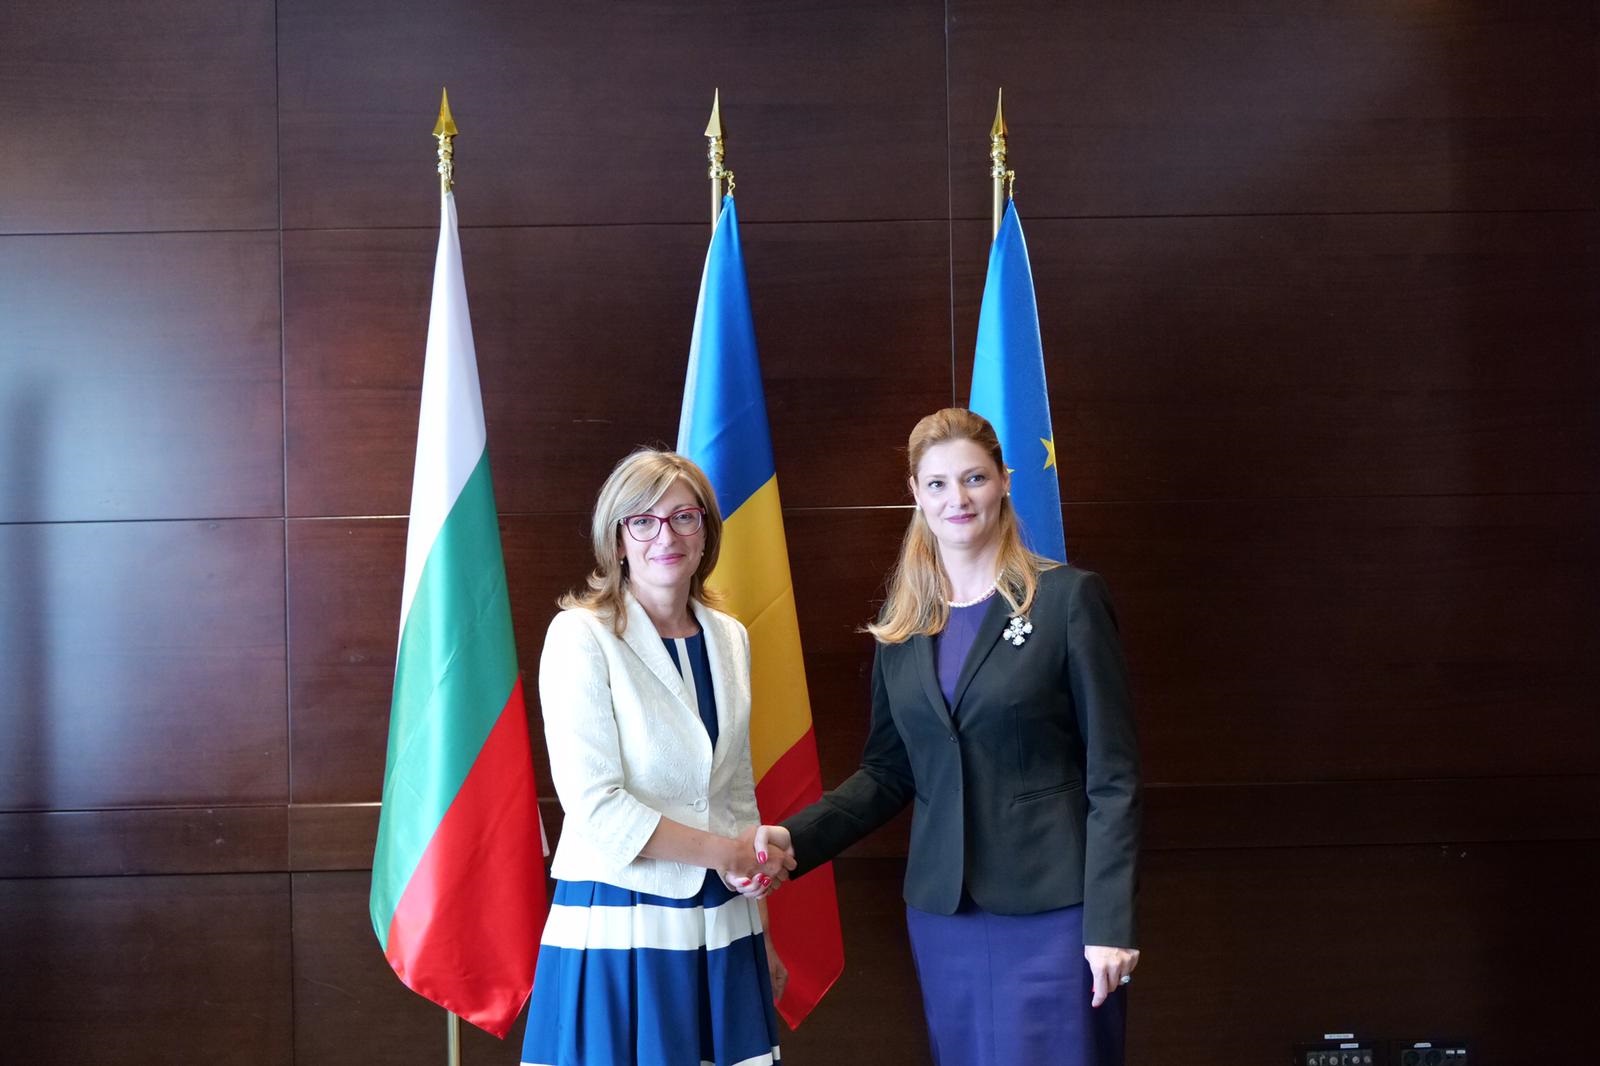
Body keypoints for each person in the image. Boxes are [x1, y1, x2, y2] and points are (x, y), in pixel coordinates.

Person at [762, 408, 1141, 1066]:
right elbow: (888, 772)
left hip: (1056, 909)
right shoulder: (902, 624)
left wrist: (1111, 922)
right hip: (945, 914)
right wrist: (794, 839)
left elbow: (1113, 777)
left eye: (973, 478)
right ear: (915, 493)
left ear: (1003, 481)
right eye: (937, 483)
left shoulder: (1067, 601)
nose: (956, 499)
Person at [521, 449, 793, 1066]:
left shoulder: (729, 636)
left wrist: (764, 928)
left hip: (726, 922)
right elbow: (596, 807)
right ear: (617, 540)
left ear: (706, 531)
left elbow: (735, 795)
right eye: (642, 521)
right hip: (623, 917)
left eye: (683, 517)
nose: (665, 536)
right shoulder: (581, 635)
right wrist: (726, 854)